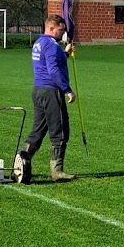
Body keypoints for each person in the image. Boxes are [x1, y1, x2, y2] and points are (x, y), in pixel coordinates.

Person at [22, 14, 77, 181]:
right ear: (52, 28)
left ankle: (21, 162)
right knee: (59, 130)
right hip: (51, 92)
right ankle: (57, 171)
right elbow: (53, 70)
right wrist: (67, 90)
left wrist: (65, 54)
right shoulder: (52, 45)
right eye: (61, 30)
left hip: (38, 90)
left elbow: (50, 62)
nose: (63, 33)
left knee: (38, 130)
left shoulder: (39, 43)